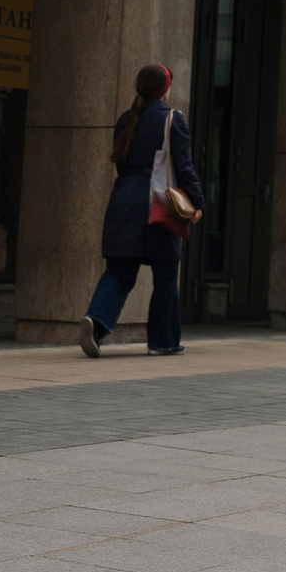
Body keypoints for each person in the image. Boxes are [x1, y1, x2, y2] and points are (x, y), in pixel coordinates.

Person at [80, 65, 203, 357]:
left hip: (124, 201)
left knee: (119, 271)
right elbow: (184, 167)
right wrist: (197, 203)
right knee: (164, 273)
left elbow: (121, 164)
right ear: (165, 89)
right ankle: (163, 342)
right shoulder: (173, 120)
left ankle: (95, 321)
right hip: (157, 204)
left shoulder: (126, 119)